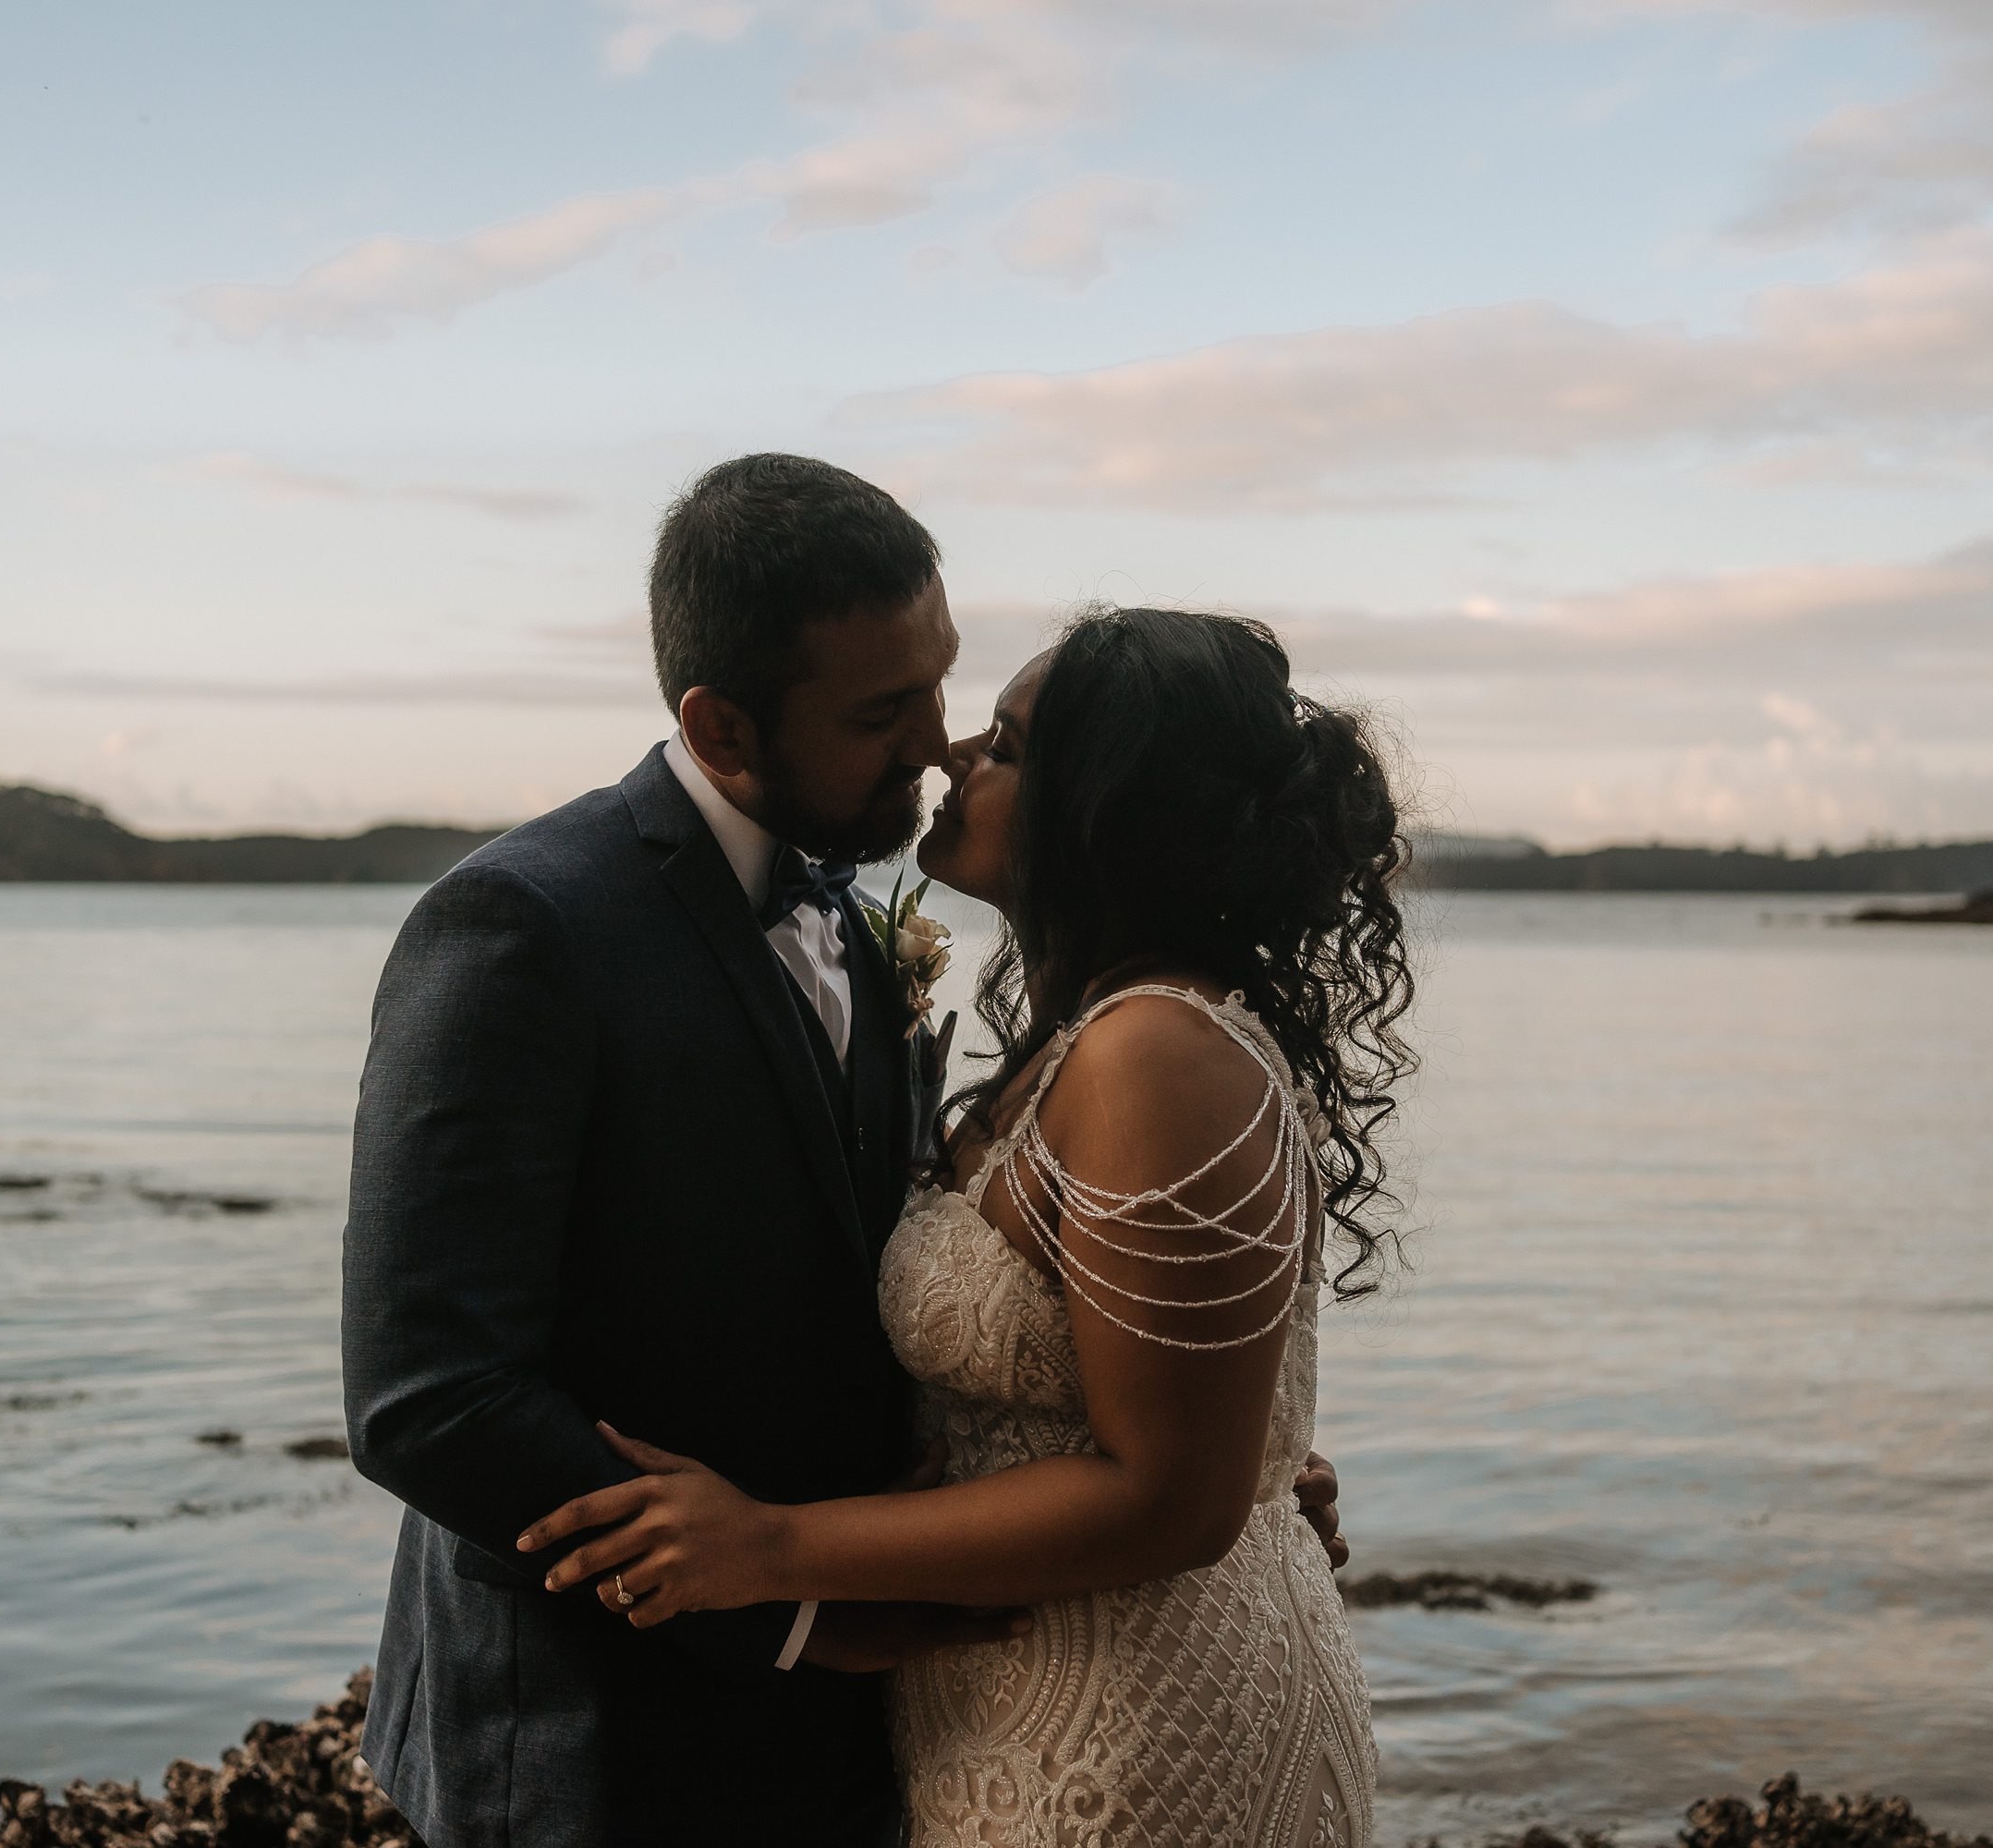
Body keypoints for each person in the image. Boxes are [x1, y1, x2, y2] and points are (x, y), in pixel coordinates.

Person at [343, 457, 1349, 1848]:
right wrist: (795, 1604)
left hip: (916, 1718)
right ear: (725, 727)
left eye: (948, 693)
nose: (939, 745)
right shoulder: (525, 928)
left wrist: (1221, 1446)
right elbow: (428, 1396)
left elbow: (893, 1302)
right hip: (602, 1735)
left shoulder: (887, 948)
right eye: (887, 712)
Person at [518, 606, 1411, 1847]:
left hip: (1140, 1731)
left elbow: (1173, 1500)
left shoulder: (1156, 1051)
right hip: (1012, 1701)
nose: (953, 755)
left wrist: (773, 1546)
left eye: (1010, 742)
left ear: (1110, 805)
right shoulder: (1082, 1039)